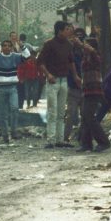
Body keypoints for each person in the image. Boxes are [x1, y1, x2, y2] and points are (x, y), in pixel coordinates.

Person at [37, 21, 80, 149]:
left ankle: (60, 140)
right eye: (67, 29)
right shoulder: (49, 44)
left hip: (64, 80)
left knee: (61, 112)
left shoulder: (69, 44)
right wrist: (48, 75)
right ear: (60, 31)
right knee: (52, 111)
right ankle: (50, 140)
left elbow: (71, 61)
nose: (69, 31)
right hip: (53, 81)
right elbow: (40, 62)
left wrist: (75, 75)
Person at [0, 35, 30, 143]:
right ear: (1, 47)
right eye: (4, 46)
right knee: (2, 113)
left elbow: (27, 56)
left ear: (12, 47)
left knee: (14, 108)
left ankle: (13, 131)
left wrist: (21, 45)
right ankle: (5, 134)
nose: (7, 47)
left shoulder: (16, 57)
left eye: (9, 46)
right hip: (0, 88)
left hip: (13, 87)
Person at [75, 37, 111, 153]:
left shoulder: (95, 56)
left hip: (94, 90)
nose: (84, 47)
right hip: (87, 89)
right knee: (85, 117)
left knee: (89, 117)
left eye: (87, 45)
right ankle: (86, 144)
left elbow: (91, 51)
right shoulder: (86, 57)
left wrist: (81, 44)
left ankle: (103, 142)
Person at [64, 27, 86, 143]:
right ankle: (66, 137)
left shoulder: (84, 53)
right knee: (71, 115)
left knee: (84, 115)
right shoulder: (70, 53)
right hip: (73, 87)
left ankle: (81, 136)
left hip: (84, 88)